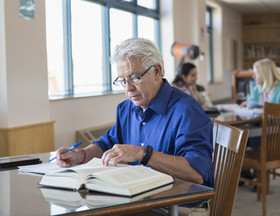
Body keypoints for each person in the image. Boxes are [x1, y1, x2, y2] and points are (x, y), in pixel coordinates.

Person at [54, 38, 214, 205]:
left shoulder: (187, 111)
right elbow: (108, 143)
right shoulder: (126, 109)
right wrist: (81, 154)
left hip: (177, 206)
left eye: (135, 78)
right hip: (140, 199)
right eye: (123, 81)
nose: (128, 88)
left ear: (157, 72)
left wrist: (143, 154)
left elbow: (197, 173)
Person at [239, 58, 280, 186]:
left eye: (256, 73)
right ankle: (247, 174)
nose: (253, 76)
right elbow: (251, 106)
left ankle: (253, 175)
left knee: (241, 140)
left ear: (265, 74)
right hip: (260, 132)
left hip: (276, 137)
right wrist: (247, 106)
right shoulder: (258, 89)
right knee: (239, 138)